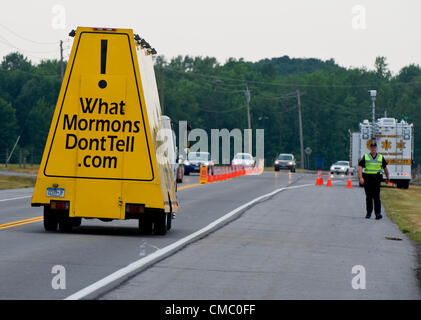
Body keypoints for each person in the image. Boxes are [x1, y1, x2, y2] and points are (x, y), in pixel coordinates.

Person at [358, 141, 390, 220]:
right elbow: (360, 167)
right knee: (368, 197)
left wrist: (387, 177)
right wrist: (361, 177)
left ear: (376, 148)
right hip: (368, 179)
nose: (373, 149)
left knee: (376, 197)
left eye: (374, 147)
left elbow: (385, 168)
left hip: (376, 179)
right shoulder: (365, 157)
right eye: (372, 147)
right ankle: (369, 213)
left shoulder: (380, 157)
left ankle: (378, 214)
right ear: (370, 148)